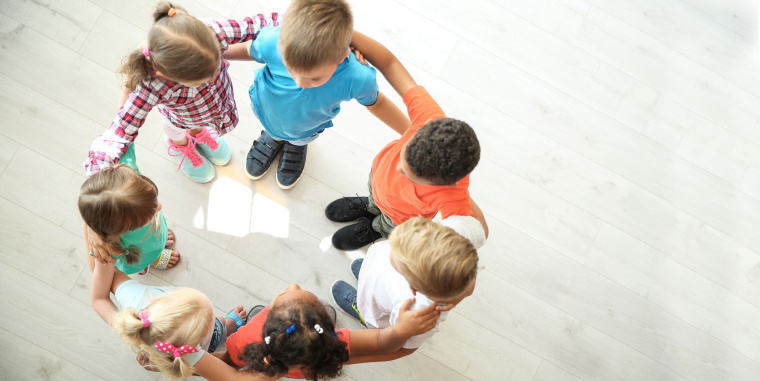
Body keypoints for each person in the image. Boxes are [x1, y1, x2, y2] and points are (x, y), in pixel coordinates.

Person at [325, 32, 488, 250]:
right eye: (406, 156)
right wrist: (344, 35)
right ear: (426, 128)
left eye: (412, 174)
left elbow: (479, 232)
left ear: (445, 183)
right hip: (378, 179)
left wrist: (462, 198)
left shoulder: (451, 194)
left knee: (390, 224)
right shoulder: (430, 117)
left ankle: (378, 228)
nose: (399, 168)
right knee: (376, 193)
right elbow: (390, 64)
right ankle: (371, 205)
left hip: (401, 216)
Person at [84, 2, 278, 183]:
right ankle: (180, 146)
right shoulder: (153, 84)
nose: (212, 77)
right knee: (175, 130)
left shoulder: (210, 32)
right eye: (202, 78)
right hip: (179, 118)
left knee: (199, 125)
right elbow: (120, 129)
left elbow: (261, 23)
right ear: (166, 74)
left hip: (212, 106)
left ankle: (199, 133)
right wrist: (100, 168)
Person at [226, 0, 410, 189]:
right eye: (290, 69)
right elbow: (247, 49)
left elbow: (377, 103)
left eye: (314, 78)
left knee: (299, 137)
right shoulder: (273, 41)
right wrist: (214, 54)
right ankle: (274, 136)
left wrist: (410, 132)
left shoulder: (356, 77)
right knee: (272, 126)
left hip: (307, 127)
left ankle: (295, 144)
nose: (300, 83)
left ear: (342, 56)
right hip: (265, 108)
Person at [219, 283, 440, 379]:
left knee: (228, 359)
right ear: (328, 328)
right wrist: (402, 332)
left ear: (270, 319)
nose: (295, 288)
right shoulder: (332, 346)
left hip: (248, 349)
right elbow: (387, 346)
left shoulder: (245, 339)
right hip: (310, 362)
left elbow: (291, 289)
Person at [332, 217, 479, 362]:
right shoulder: (454, 233)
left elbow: (404, 348)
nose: (393, 240)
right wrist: (464, 291)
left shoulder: (417, 312)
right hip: (378, 272)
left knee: (373, 309)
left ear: (413, 286)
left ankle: (366, 317)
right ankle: (370, 275)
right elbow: (480, 227)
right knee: (372, 273)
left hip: (381, 307)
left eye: (394, 249)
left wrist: (398, 332)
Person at [86, 253, 247, 380]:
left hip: (177, 359)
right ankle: (228, 326)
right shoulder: (189, 355)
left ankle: (158, 362)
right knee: (219, 322)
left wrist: (92, 233)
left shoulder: (134, 300)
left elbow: (98, 278)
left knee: (187, 364)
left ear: (156, 299)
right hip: (209, 340)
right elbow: (230, 374)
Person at [79, 151, 179, 273]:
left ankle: (157, 239)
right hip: (138, 256)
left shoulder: (128, 178)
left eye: (154, 199)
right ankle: (148, 262)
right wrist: (90, 228)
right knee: (139, 258)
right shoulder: (111, 243)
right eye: (151, 214)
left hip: (153, 234)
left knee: (155, 235)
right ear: (118, 230)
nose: (160, 206)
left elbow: (122, 139)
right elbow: (96, 271)